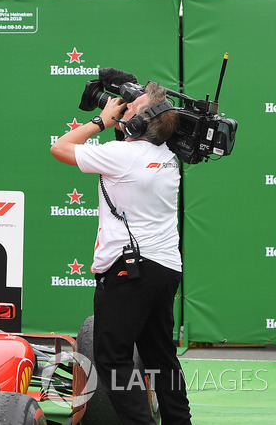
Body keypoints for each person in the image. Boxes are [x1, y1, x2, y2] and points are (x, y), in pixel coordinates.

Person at [50, 81, 192, 424]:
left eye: (129, 107)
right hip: (164, 269)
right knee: (161, 357)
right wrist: (130, 107)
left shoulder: (123, 156)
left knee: (112, 358)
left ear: (141, 124)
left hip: (130, 271)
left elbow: (60, 148)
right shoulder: (168, 157)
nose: (122, 108)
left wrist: (101, 121)